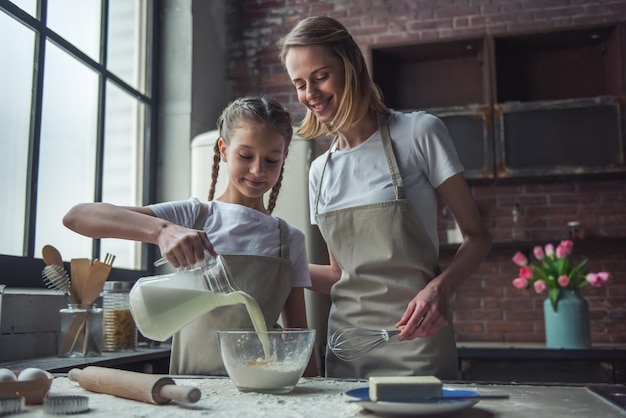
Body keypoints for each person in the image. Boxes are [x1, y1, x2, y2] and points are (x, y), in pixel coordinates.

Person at [278, 16, 492, 379]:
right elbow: (338, 275)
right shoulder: (320, 170)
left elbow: (478, 236)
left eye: (320, 76)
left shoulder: (419, 133)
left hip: (416, 342)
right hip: (348, 347)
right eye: (299, 83)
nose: (309, 93)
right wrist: (272, 262)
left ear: (351, 65)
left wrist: (441, 288)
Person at [63, 96, 317, 376]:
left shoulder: (289, 239)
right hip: (191, 387)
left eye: (271, 159)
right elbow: (77, 217)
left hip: (262, 389)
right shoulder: (193, 216)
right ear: (223, 149)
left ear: (285, 157)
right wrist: (161, 230)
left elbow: (297, 340)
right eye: (245, 156)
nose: (258, 170)